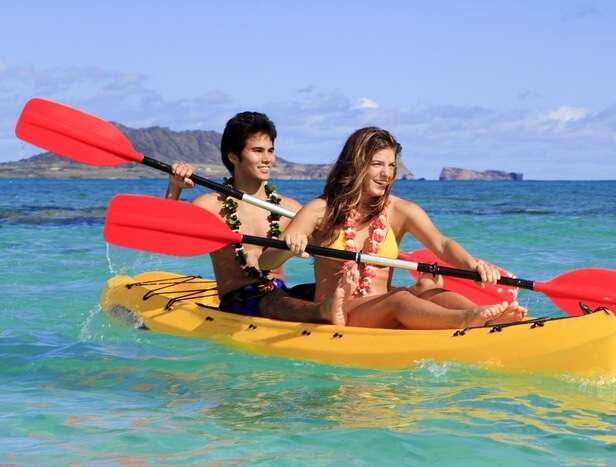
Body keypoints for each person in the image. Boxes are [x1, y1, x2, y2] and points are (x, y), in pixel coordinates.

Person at [259, 127, 527, 329]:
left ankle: (487, 317)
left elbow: (442, 245)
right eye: (377, 164)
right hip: (342, 311)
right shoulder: (321, 209)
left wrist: (473, 264)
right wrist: (287, 246)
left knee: (426, 289)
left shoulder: (401, 210)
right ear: (356, 166)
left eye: (391, 166)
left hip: (381, 307)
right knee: (400, 299)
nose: (386, 173)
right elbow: (266, 261)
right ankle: (466, 319)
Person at [166, 111, 343, 324]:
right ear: (233, 156)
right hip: (239, 301)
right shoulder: (209, 206)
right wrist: (174, 188)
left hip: (282, 294)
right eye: (257, 151)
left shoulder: (290, 209)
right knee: (272, 300)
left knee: (322, 291)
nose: (267, 159)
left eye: (270, 150)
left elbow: (332, 249)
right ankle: (322, 312)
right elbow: (168, 238)